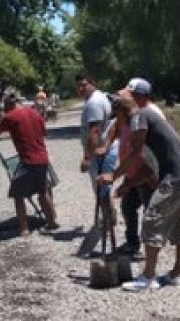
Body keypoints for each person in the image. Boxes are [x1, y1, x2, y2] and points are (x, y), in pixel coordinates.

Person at [98, 88, 180, 292]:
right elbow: (148, 165)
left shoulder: (139, 117)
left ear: (122, 111)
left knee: (151, 219)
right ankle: (175, 276)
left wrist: (113, 176)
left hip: (175, 176)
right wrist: (126, 184)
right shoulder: (148, 117)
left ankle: (148, 277)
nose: (117, 123)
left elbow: (136, 152)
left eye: (117, 117)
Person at [0, 92, 59, 236]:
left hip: (27, 160)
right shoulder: (35, 113)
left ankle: (24, 228)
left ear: (8, 105)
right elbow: (44, 133)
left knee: (18, 194)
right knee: (43, 191)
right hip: (42, 158)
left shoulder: (9, 117)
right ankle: (52, 222)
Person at [118, 77, 166, 255]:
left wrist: (152, 173)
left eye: (130, 95)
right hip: (133, 170)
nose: (126, 98)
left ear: (140, 96)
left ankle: (151, 248)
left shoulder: (151, 113)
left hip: (146, 173)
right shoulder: (133, 112)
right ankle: (133, 243)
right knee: (128, 206)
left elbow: (153, 148)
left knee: (150, 212)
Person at [75, 73, 116, 233]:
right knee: (103, 187)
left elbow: (95, 131)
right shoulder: (101, 97)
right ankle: (109, 217)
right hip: (104, 149)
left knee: (101, 187)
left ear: (93, 83)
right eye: (78, 86)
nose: (81, 88)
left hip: (98, 153)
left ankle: (107, 221)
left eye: (84, 85)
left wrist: (87, 157)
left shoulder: (94, 103)